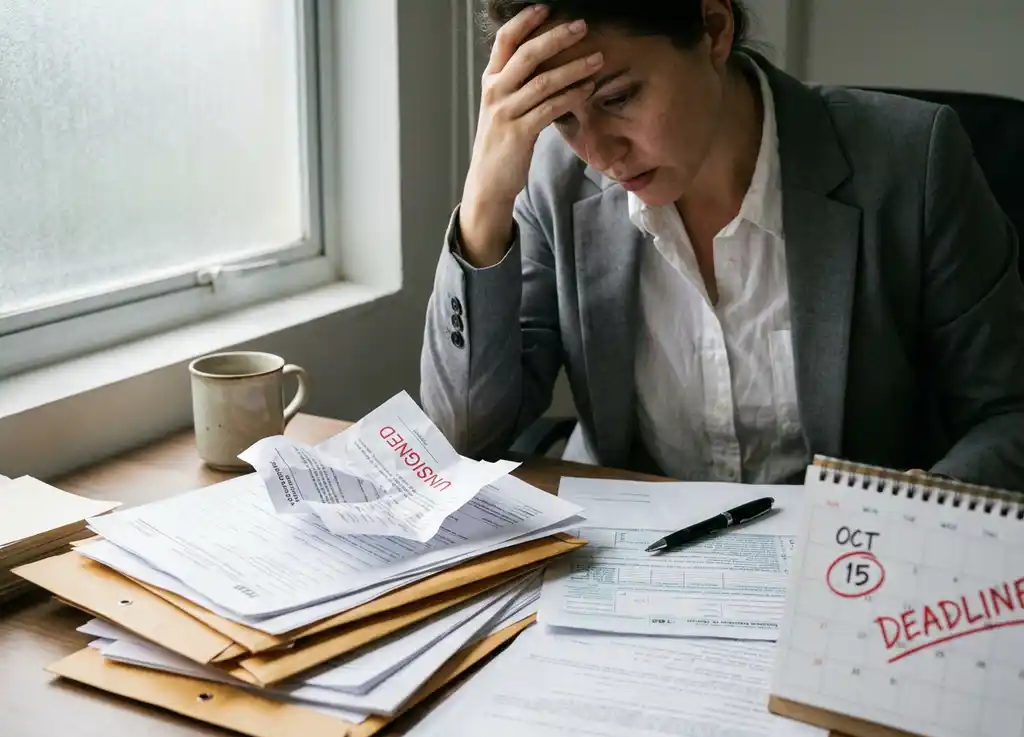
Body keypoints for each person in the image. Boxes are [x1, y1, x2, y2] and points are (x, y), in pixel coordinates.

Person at [420, 0, 1024, 491]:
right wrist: (485, 202)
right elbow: (464, 438)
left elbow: (1007, 414)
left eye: (618, 99)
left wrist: (923, 507)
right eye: (565, 119)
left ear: (713, 28)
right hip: (628, 561)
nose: (600, 155)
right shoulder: (555, 180)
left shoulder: (912, 162)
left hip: (847, 570)